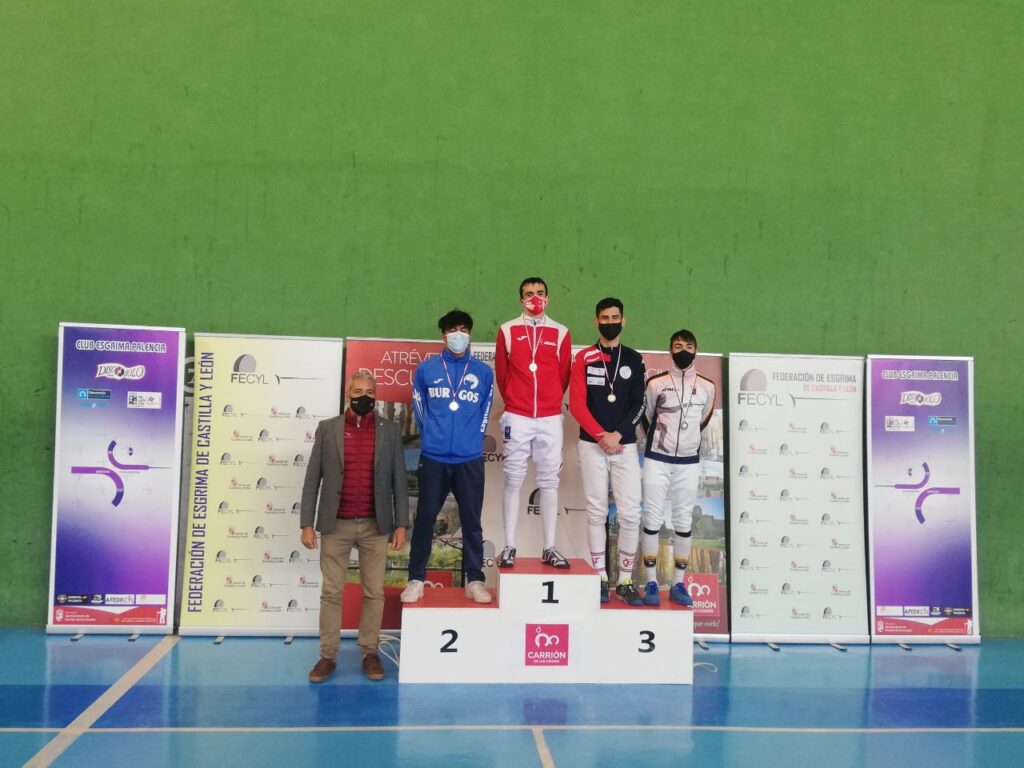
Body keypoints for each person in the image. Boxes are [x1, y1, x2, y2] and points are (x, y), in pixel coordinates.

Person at [300, 372, 409, 683]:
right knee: (331, 592)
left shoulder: (390, 431)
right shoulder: (328, 429)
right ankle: (327, 655)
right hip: (336, 525)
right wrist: (307, 523)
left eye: (370, 392)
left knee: (374, 593)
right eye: (358, 391)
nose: (364, 396)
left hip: (376, 525)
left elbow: (399, 482)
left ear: (376, 395)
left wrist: (401, 524)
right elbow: (312, 480)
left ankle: (370, 652)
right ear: (348, 393)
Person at [401, 309, 495, 605]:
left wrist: (473, 441)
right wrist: (432, 438)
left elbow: (485, 412)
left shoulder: (483, 372)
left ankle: (475, 580)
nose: (459, 335)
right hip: (434, 457)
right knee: (425, 518)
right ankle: (416, 579)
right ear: (443, 335)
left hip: (469, 458)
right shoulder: (426, 370)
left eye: (464, 329)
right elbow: (419, 409)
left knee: (472, 521)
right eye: (453, 330)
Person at [568, 297, 645, 604]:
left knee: (630, 513)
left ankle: (625, 579)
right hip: (592, 444)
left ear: (623, 321)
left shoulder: (634, 359)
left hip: (625, 445)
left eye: (615, 317)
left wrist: (618, 434)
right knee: (597, 511)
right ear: (596, 321)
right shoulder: (583, 357)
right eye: (604, 317)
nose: (610, 322)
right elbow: (577, 405)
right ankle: (599, 577)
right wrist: (602, 436)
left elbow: (639, 404)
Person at [494, 277, 572, 568]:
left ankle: (549, 547)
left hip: (550, 416)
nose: (535, 298)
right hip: (518, 414)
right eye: (528, 294)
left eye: (540, 293)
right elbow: (502, 374)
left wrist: (549, 402)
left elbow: (563, 375)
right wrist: (516, 401)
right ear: (521, 300)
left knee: (549, 481)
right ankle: (509, 546)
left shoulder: (561, 332)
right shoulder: (507, 330)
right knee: (513, 479)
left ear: (548, 298)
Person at [640, 330, 715, 606]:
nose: (683, 350)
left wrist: (685, 442)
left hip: (687, 462)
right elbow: (647, 417)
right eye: (678, 345)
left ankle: (678, 584)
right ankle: (651, 582)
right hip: (657, 459)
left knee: (683, 521)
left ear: (696, 350)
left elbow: (702, 421)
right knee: (652, 518)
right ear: (670, 350)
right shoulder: (655, 383)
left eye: (689, 346)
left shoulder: (708, 387)